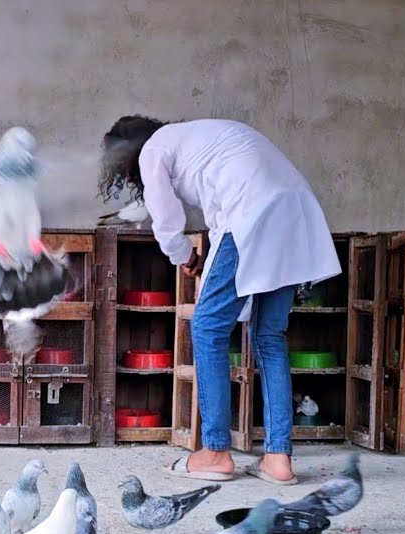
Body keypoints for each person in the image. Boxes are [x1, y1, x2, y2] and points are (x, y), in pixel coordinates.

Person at [99, 116, 340, 484]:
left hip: (252, 211)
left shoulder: (154, 150)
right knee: (269, 337)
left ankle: (214, 450)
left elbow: (165, 222)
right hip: (295, 211)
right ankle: (278, 458)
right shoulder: (198, 135)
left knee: (208, 326)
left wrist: (185, 258)